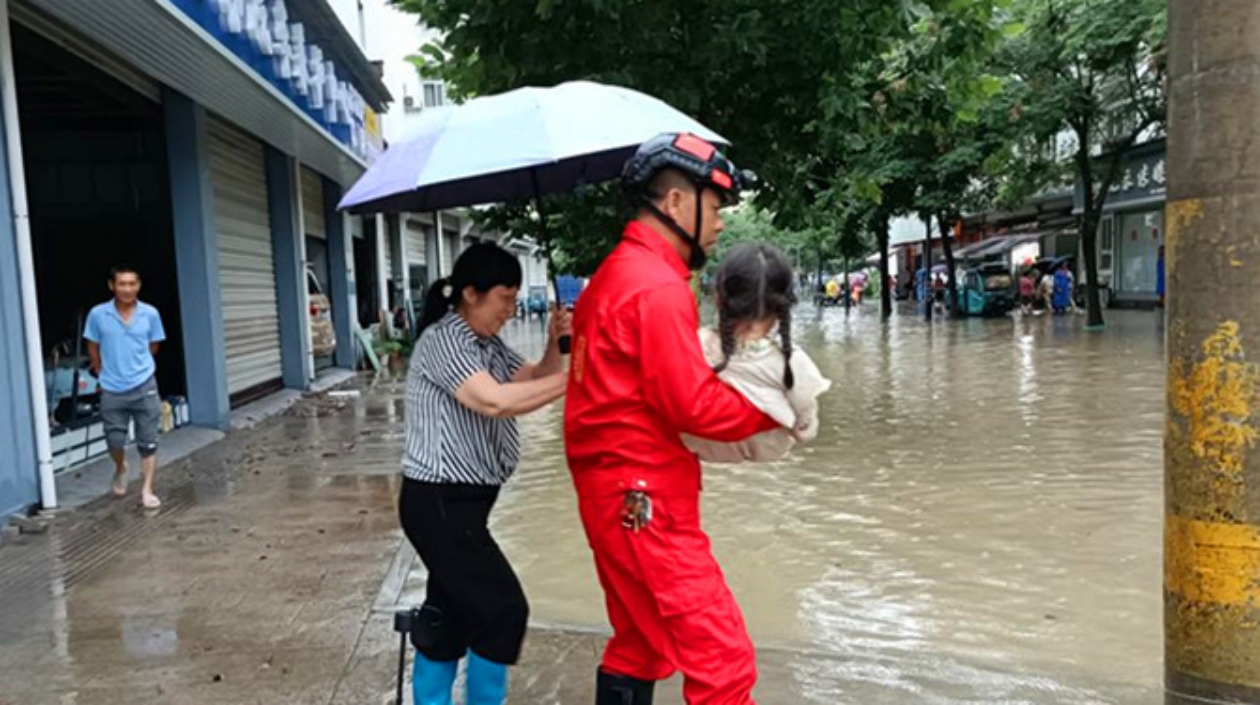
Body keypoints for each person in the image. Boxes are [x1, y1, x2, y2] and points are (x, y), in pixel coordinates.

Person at [564, 133, 780, 705]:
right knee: (723, 660)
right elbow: (693, 405)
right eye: (716, 206)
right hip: (644, 497)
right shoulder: (655, 287)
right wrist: (774, 406)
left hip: (611, 495)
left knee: (641, 643)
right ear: (678, 202)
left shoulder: (612, 277)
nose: (722, 223)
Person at [399, 242, 569, 705]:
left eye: (515, 299)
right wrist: (579, 379)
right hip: (439, 503)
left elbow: (530, 379)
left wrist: (556, 346)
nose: (511, 310)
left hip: (466, 506)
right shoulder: (444, 340)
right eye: (505, 299)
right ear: (471, 294)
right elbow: (493, 401)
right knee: (503, 610)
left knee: (451, 611)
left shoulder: (486, 345)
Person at [682, 243, 831, 463]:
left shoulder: (697, 345)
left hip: (694, 446)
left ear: (718, 299)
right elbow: (806, 424)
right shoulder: (792, 362)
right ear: (783, 307)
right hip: (767, 449)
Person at [84, 266, 166, 509]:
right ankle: (121, 467)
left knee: (148, 442)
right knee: (115, 440)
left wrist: (137, 363)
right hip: (111, 387)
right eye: (122, 284)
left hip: (144, 384)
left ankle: (147, 490)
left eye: (132, 284)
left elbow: (154, 345)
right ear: (112, 286)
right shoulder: (98, 314)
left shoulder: (150, 313)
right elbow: (92, 343)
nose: (127, 289)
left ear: (138, 286)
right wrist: (99, 366)